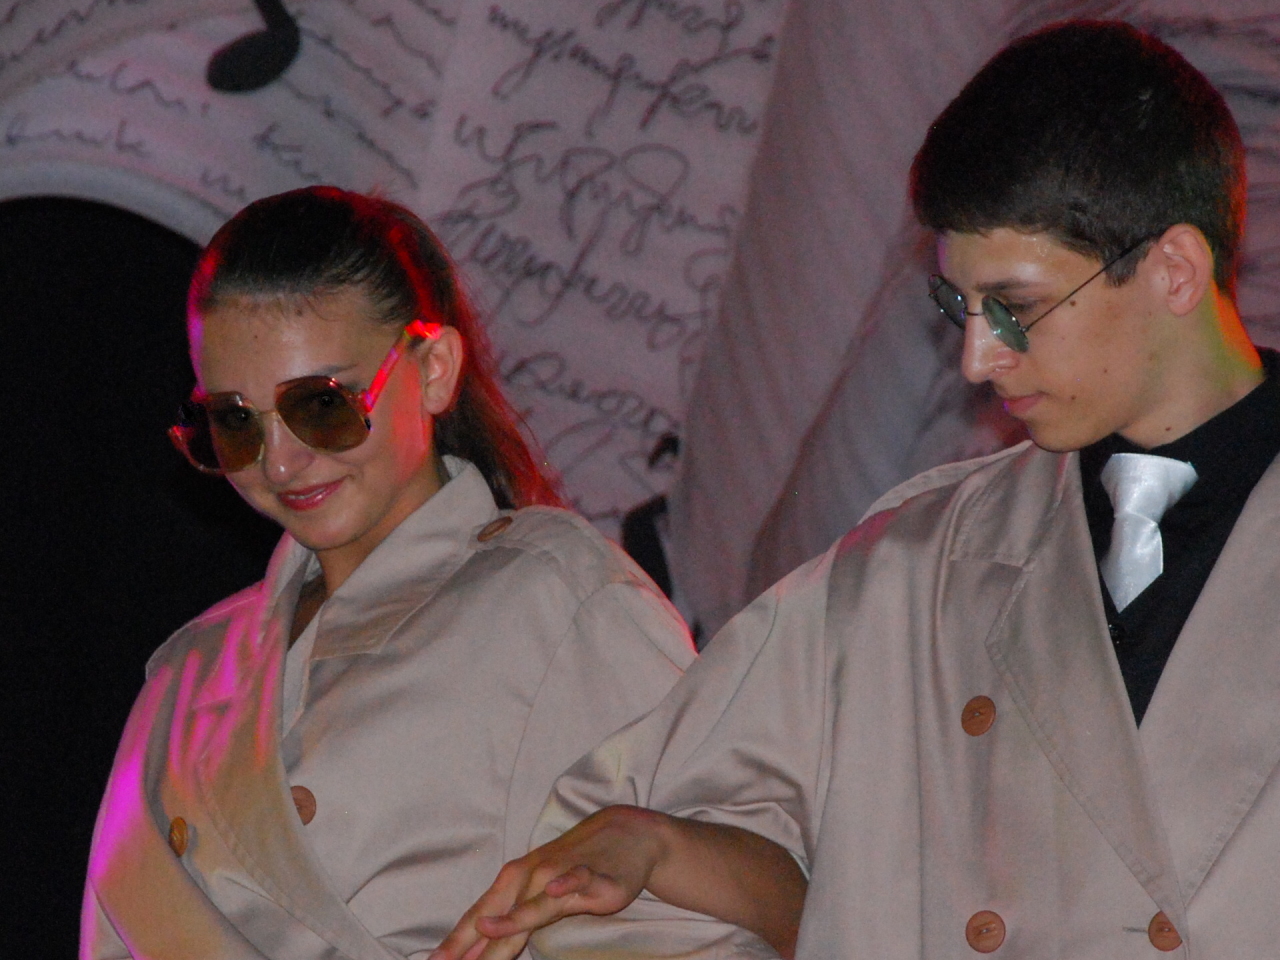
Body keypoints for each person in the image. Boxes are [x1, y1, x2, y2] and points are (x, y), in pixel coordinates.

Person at [434, 19, 1280, 959]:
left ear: (1174, 272)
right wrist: (662, 848)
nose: (976, 359)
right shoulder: (913, 565)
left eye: (1017, 308)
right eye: (959, 307)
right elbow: (671, 838)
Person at [79, 187, 696, 959]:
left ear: (434, 369)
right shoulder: (188, 676)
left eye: (320, 406)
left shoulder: (561, 599)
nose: (280, 462)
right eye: (235, 421)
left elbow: (703, 917)